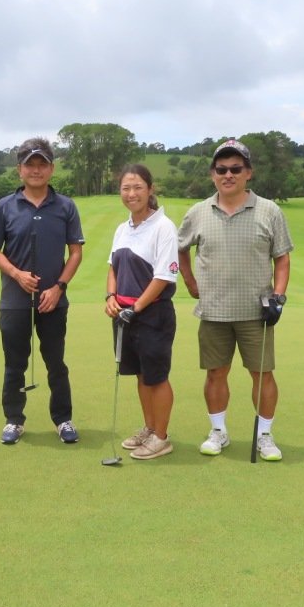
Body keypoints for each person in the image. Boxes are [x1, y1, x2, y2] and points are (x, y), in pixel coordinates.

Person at [177, 139, 293, 460]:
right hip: (213, 311)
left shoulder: (269, 210)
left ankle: (264, 435)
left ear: (248, 173)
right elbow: (180, 248)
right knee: (215, 373)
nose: (228, 174)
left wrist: (279, 296)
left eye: (235, 169)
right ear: (213, 174)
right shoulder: (198, 212)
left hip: (257, 311)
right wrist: (189, 282)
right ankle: (219, 431)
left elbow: (282, 258)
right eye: (221, 169)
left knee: (262, 374)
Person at [0, 137, 84, 445]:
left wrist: (59, 287)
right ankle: (14, 420)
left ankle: (63, 419)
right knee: (15, 363)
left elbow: (76, 252)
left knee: (56, 362)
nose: (36, 170)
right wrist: (16, 274)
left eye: (42, 165)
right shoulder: (5, 206)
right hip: (14, 300)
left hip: (53, 301)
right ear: (20, 170)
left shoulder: (65, 206)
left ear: (51, 169)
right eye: (30, 165)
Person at [105, 164, 179, 460]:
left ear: (150, 190)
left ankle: (162, 437)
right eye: (126, 188)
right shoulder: (123, 228)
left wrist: (134, 308)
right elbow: (113, 267)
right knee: (140, 374)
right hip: (125, 314)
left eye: (137, 187)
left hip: (152, 314)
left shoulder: (164, 227)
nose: (131, 193)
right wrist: (111, 296)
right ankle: (149, 427)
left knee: (156, 377)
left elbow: (163, 277)